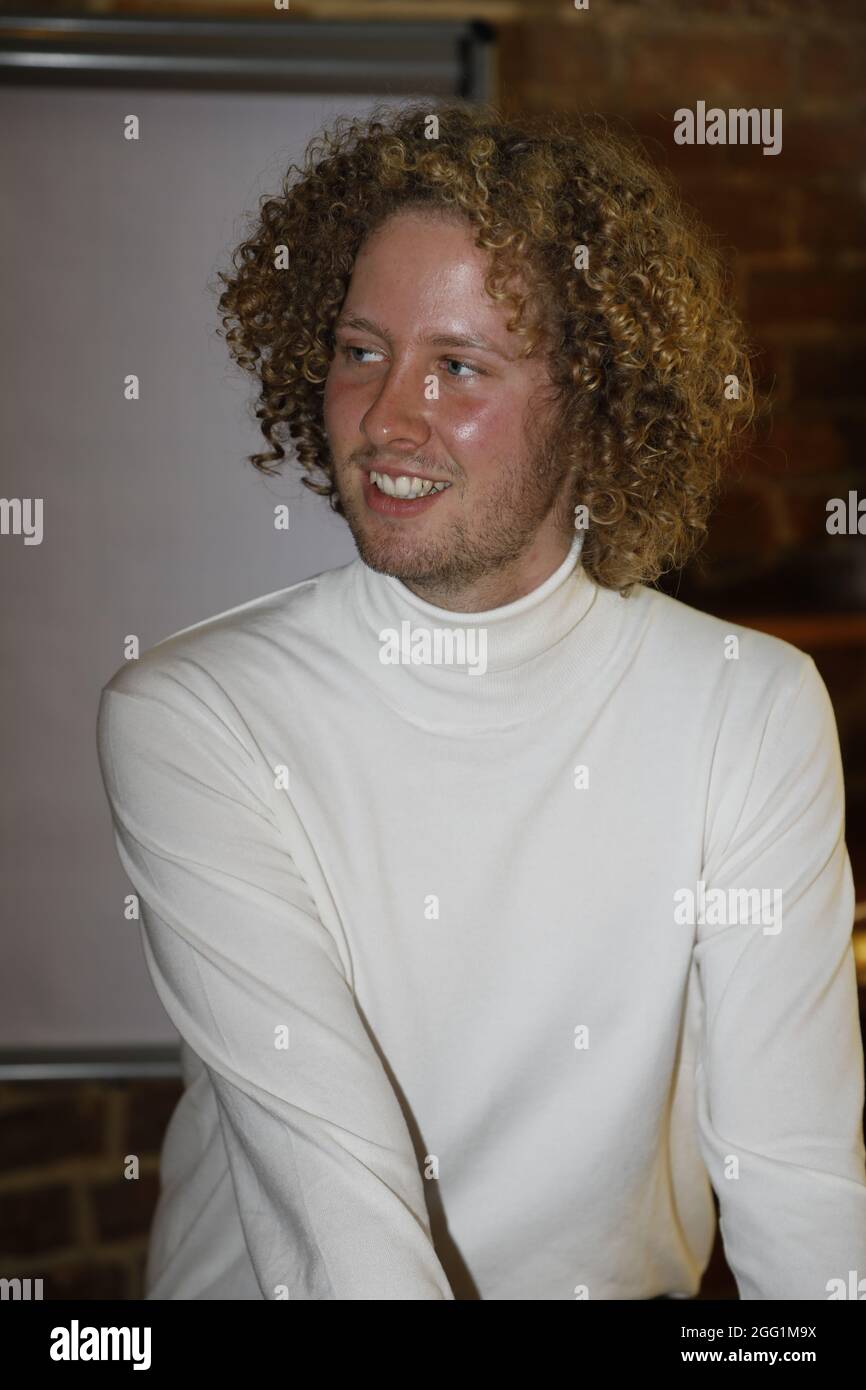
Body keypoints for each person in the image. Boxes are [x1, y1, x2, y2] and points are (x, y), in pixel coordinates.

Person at [96, 101, 866, 1300]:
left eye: (456, 366)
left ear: (595, 405)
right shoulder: (194, 714)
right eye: (361, 351)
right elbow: (342, 1222)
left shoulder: (746, 709)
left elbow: (797, 1186)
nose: (385, 419)